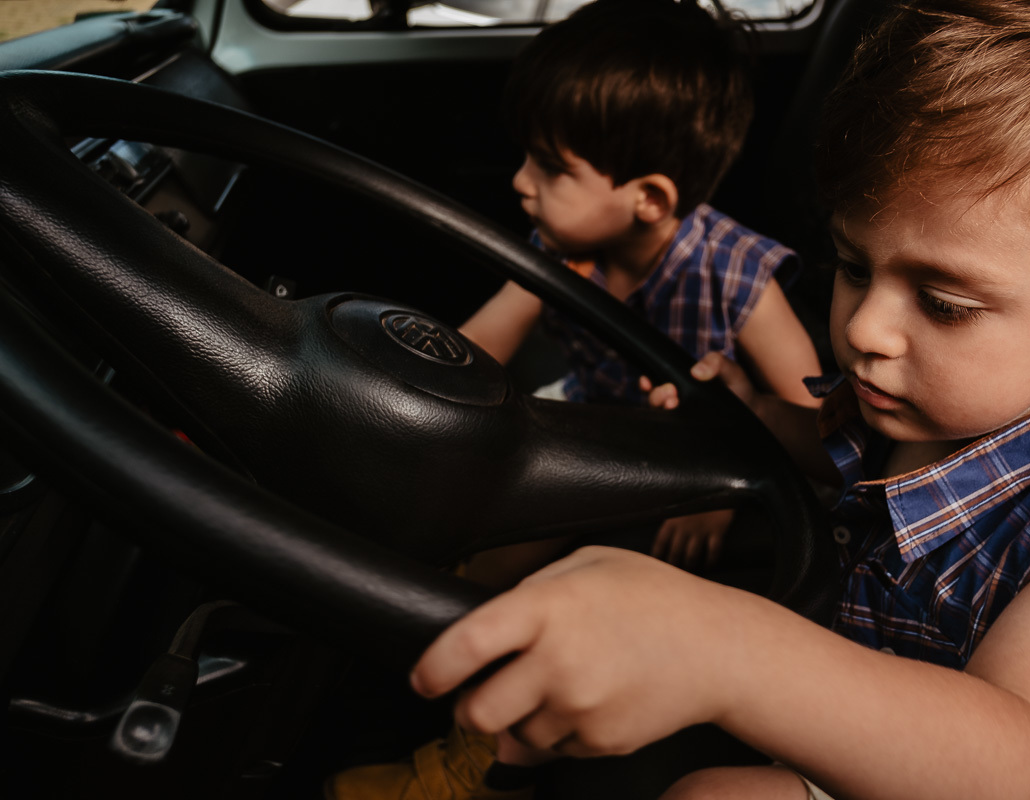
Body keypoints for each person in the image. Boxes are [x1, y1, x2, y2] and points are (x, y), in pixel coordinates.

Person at [404, 1, 1030, 799]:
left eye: (944, 303)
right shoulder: (922, 395)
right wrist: (748, 410)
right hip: (860, 684)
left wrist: (726, 650)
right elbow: (828, 446)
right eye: (855, 267)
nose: (865, 329)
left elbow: (1012, 756)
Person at [325, 1, 822, 798]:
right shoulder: (566, 245)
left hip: (698, 479)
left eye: (551, 168)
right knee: (480, 557)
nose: (521, 182)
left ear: (649, 198)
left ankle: (481, 767)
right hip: (591, 431)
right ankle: (433, 665)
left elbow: (816, 430)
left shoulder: (738, 279)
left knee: (552, 603)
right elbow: (475, 348)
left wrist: (725, 482)